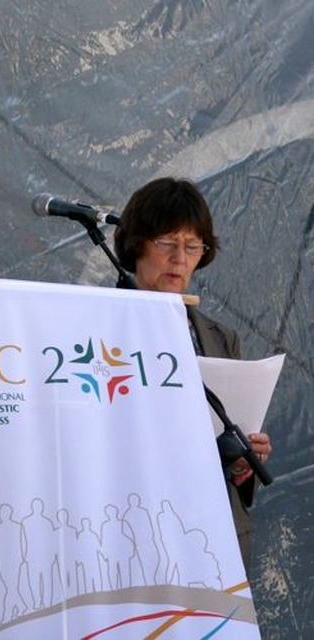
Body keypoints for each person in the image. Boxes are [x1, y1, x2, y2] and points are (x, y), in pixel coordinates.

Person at [113, 176, 272, 573]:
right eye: (167, 243)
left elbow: (237, 462)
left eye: (192, 246)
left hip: (217, 534)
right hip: (139, 533)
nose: (179, 258)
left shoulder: (222, 338)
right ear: (136, 245)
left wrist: (244, 460)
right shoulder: (100, 328)